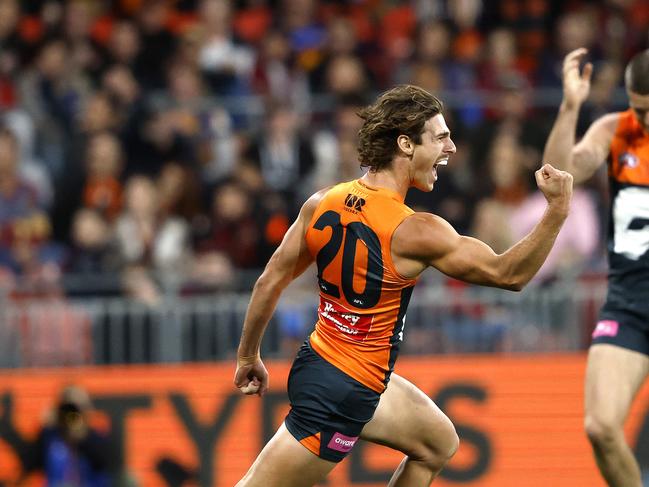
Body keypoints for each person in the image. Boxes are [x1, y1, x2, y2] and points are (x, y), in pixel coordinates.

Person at [234, 84, 573, 487]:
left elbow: (269, 281)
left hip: (328, 364)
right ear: (406, 144)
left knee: (438, 442)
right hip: (340, 393)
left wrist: (247, 356)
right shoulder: (415, 230)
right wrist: (556, 211)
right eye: (441, 137)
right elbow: (509, 274)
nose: (451, 149)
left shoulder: (323, 200)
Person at [542, 47, 649, 487]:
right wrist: (571, 107)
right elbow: (557, 172)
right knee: (601, 427)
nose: (643, 121)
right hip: (629, 303)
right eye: (638, 109)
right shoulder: (616, 130)